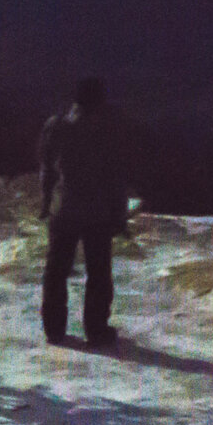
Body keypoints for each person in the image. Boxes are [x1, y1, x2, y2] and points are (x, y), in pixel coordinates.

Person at [35, 75, 137, 347]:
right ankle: (96, 331)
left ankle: (54, 329)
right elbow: (117, 177)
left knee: (57, 269)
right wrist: (120, 215)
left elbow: (47, 168)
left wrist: (46, 202)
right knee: (98, 272)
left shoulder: (56, 125)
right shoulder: (110, 130)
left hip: (63, 208)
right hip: (98, 211)